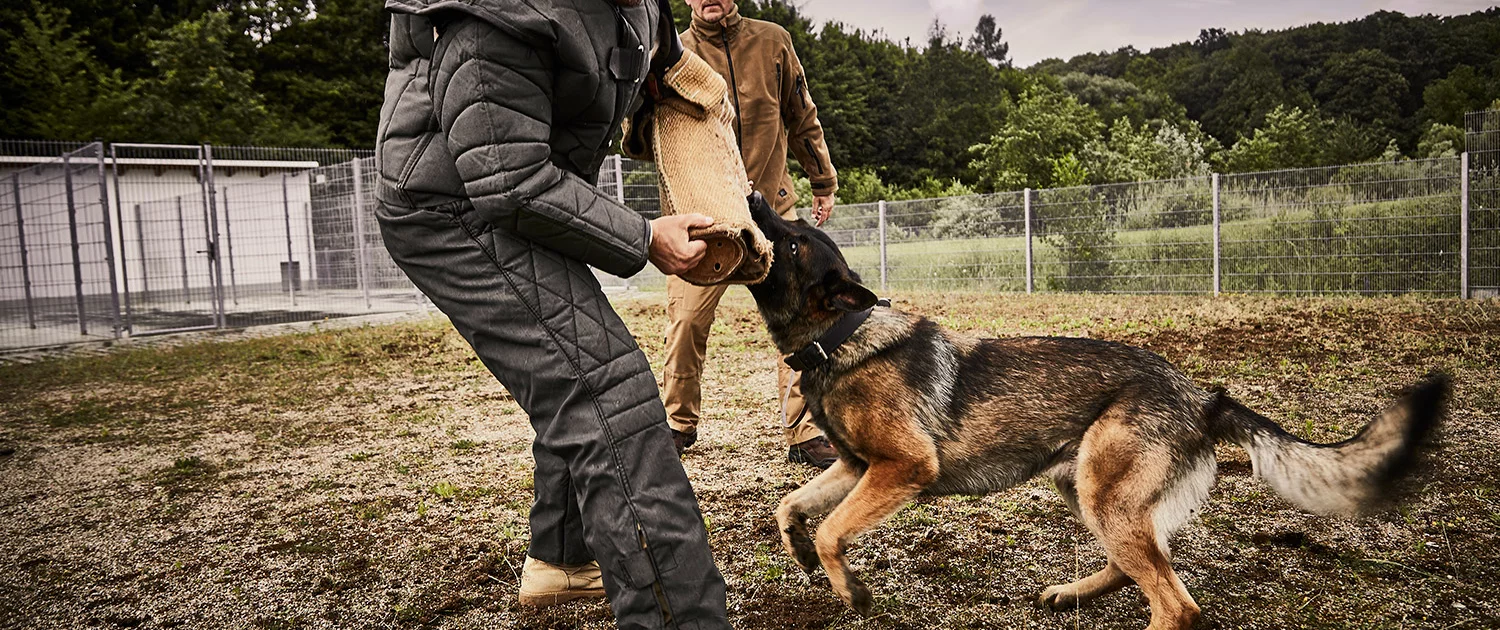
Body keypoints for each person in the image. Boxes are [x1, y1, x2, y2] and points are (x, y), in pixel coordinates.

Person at [374, 0, 729, 627]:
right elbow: (508, 179)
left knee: (577, 364)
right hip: (451, 207)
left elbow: (661, 60)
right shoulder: (496, 16)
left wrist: (694, 103)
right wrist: (647, 238)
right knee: (604, 389)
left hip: (518, 185)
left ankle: (563, 562)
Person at [664, 0, 842, 468]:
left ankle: (804, 432)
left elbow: (802, 116)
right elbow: (650, 135)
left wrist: (821, 181)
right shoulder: (670, 52)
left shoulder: (773, 41)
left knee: (801, 320)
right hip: (702, 220)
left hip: (772, 216)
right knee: (686, 323)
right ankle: (679, 426)